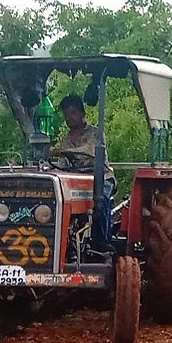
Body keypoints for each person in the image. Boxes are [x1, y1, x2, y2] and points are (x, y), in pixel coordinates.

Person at [50, 93, 116, 248]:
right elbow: (64, 163)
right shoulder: (67, 138)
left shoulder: (95, 133)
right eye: (66, 115)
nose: (69, 118)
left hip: (100, 176)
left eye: (73, 113)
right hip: (76, 180)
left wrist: (61, 151)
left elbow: (90, 151)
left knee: (101, 199)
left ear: (82, 113)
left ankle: (102, 241)